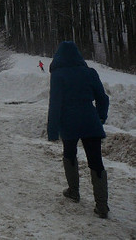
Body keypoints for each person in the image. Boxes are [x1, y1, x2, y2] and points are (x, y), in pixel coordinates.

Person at [47, 41, 110, 219]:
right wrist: (100, 117)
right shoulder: (90, 72)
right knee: (96, 161)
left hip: (69, 122)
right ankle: (102, 205)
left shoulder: (58, 75)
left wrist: (52, 130)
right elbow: (103, 99)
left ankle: (74, 191)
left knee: (69, 154)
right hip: (90, 121)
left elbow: (55, 104)